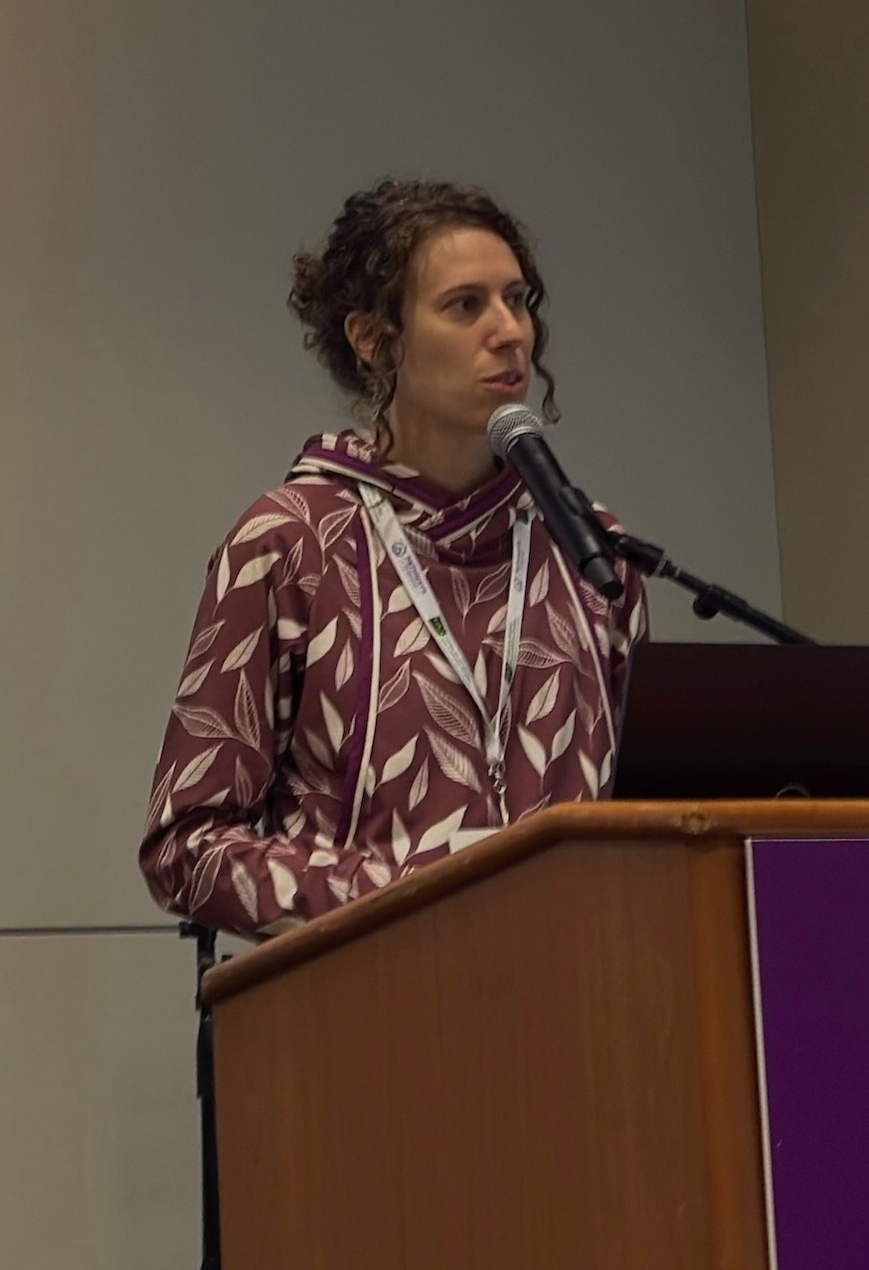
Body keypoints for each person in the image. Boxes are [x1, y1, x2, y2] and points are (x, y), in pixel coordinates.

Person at [140, 180, 648, 936]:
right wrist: (414, 893)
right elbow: (187, 844)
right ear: (373, 339)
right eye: (465, 305)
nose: (509, 331)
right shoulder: (288, 545)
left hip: (578, 1001)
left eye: (517, 299)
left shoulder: (588, 550)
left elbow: (642, 818)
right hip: (365, 1009)